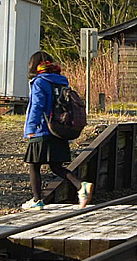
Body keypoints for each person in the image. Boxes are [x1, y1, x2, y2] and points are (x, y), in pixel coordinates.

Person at [22, 51, 93, 210]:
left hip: (43, 129)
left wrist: (30, 128)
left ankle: (37, 200)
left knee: (33, 164)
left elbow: (37, 106)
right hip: (59, 129)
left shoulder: (39, 82)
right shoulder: (61, 82)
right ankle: (81, 186)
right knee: (56, 166)